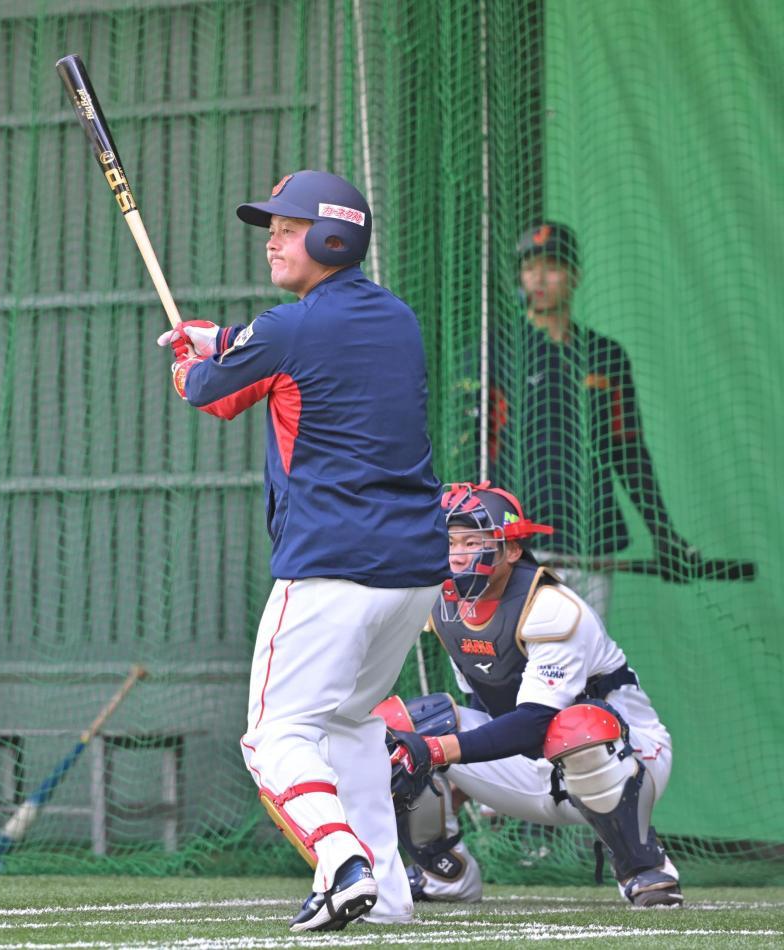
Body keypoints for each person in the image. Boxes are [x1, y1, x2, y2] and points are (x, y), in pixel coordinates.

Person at [157, 170, 448, 931]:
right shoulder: (397, 318)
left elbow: (208, 393)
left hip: (329, 566)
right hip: (413, 572)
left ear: (332, 236)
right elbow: (281, 361)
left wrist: (192, 358)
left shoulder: (288, 327)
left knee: (275, 735)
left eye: (286, 228)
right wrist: (219, 340)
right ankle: (385, 898)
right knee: (352, 722)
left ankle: (340, 858)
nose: (272, 242)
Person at [378, 481, 683, 908]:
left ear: (512, 550)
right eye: (449, 541)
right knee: (396, 731)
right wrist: (455, 775)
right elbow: (479, 708)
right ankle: (445, 876)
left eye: (473, 541)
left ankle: (642, 866)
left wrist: (438, 752)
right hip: (532, 766)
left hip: (626, 757)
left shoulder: (551, 607)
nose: (459, 554)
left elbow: (535, 721)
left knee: (575, 727)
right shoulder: (443, 605)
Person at [458, 221, 701, 617]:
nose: (539, 277)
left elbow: (628, 449)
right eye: (529, 266)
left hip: (591, 538)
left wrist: (664, 535)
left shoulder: (606, 355)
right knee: (519, 663)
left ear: (574, 275)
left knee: (583, 662)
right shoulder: (492, 351)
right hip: (515, 538)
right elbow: (474, 449)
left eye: (552, 265)